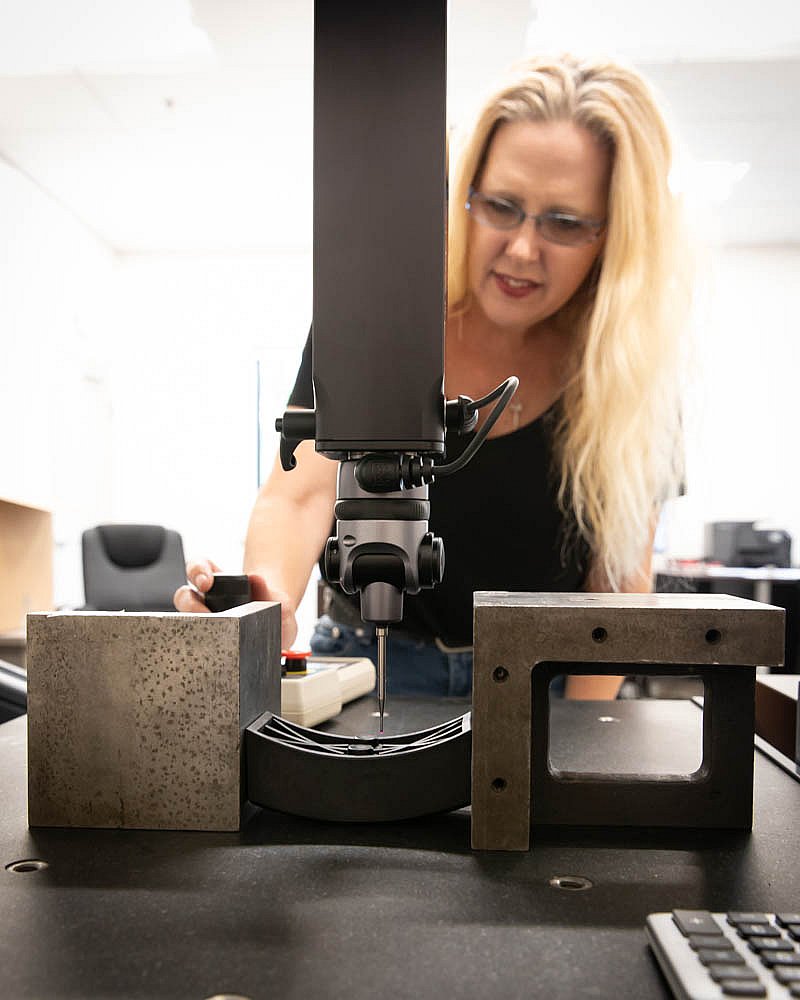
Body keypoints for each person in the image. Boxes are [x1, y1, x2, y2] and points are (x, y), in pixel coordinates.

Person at [175, 53, 691, 700]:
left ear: (613, 235)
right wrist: (266, 605)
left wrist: (585, 741)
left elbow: (614, 588)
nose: (522, 248)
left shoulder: (632, 368)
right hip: (367, 663)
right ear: (462, 192)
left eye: (563, 223)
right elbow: (300, 493)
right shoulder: (373, 315)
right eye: (500, 206)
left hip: (537, 680)